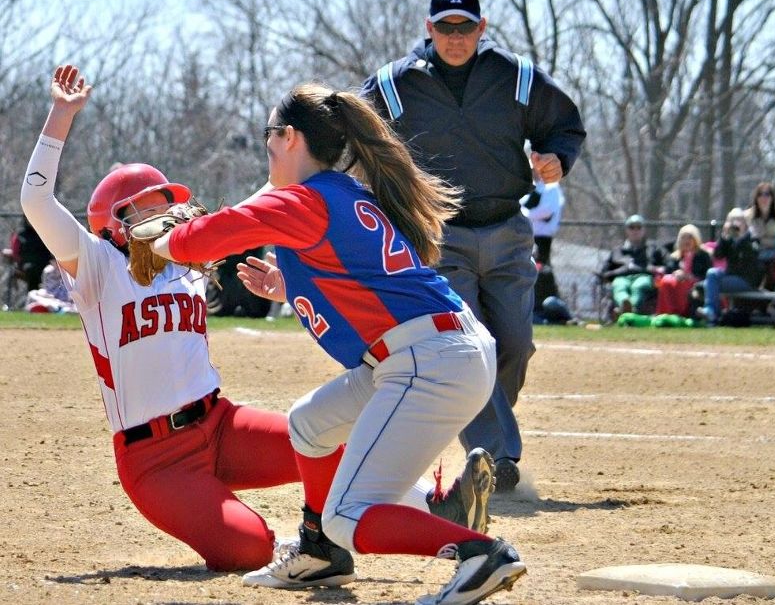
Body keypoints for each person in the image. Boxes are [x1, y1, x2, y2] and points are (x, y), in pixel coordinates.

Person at [19, 65, 488, 576]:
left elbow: (312, 250)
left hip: (220, 424)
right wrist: (61, 115)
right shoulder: (95, 266)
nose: (167, 220)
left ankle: (432, 506)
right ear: (110, 224)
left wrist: (291, 286)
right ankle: (305, 535)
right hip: (157, 458)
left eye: (169, 208)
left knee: (323, 436)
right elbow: (35, 201)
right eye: (144, 213)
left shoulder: (185, 260)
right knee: (249, 549)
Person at [145, 83, 527, 603]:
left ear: (290, 138)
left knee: (351, 514)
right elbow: (360, 281)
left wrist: (162, 242)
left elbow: (208, 237)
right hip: (432, 350)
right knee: (310, 424)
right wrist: (290, 286)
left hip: (428, 360)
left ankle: (480, 553)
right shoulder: (338, 193)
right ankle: (321, 554)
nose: (266, 147)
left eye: (269, 135)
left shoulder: (307, 199)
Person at [360, 0, 586, 492]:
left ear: (481, 29)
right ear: (429, 28)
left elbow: (565, 125)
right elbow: (350, 135)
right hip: (438, 237)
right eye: (445, 27)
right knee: (471, 344)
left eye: (465, 27)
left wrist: (557, 157)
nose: (455, 36)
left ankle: (482, 432)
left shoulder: (518, 78)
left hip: (509, 230)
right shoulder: (393, 86)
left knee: (515, 346)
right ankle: (497, 456)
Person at [696, 208, 763, 325]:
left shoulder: (753, 239)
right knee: (712, 273)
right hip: (731, 276)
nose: (736, 223)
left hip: (747, 280)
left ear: (745, 222)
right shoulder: (729, 239)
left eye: (739, 220)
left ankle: (712, 314)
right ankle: (711, 312)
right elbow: (718, 255)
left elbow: (752, 255)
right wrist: (724, 237)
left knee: (708, 284)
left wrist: (742, 236)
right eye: (733, 220)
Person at [600, 214, 666, 316]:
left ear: (644, 230)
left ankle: (627, 309)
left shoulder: (653, 248)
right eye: (631, 227)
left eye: (639, 227)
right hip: (622, 277)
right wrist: (608, 275)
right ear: (627, 230)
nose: (635, 230)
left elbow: (668, 262)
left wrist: (660, 269)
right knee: (619, 286)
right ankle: (625, 305)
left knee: (638, 286)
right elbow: (605, 269)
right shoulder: (618, 251)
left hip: (644, 277)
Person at [654, 224, 712, 318]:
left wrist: (689, 277)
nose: (686, 240)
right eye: (683, 237)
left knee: (681, 284)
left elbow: (707, 276)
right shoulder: (674, 257)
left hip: (696, 286)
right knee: (666, 281)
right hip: (675, 283)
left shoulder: (703, 256)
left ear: (696, 239)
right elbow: (668, 271)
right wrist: (676, 274)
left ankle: (682, 313)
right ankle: (666, 313)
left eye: (690, 237)